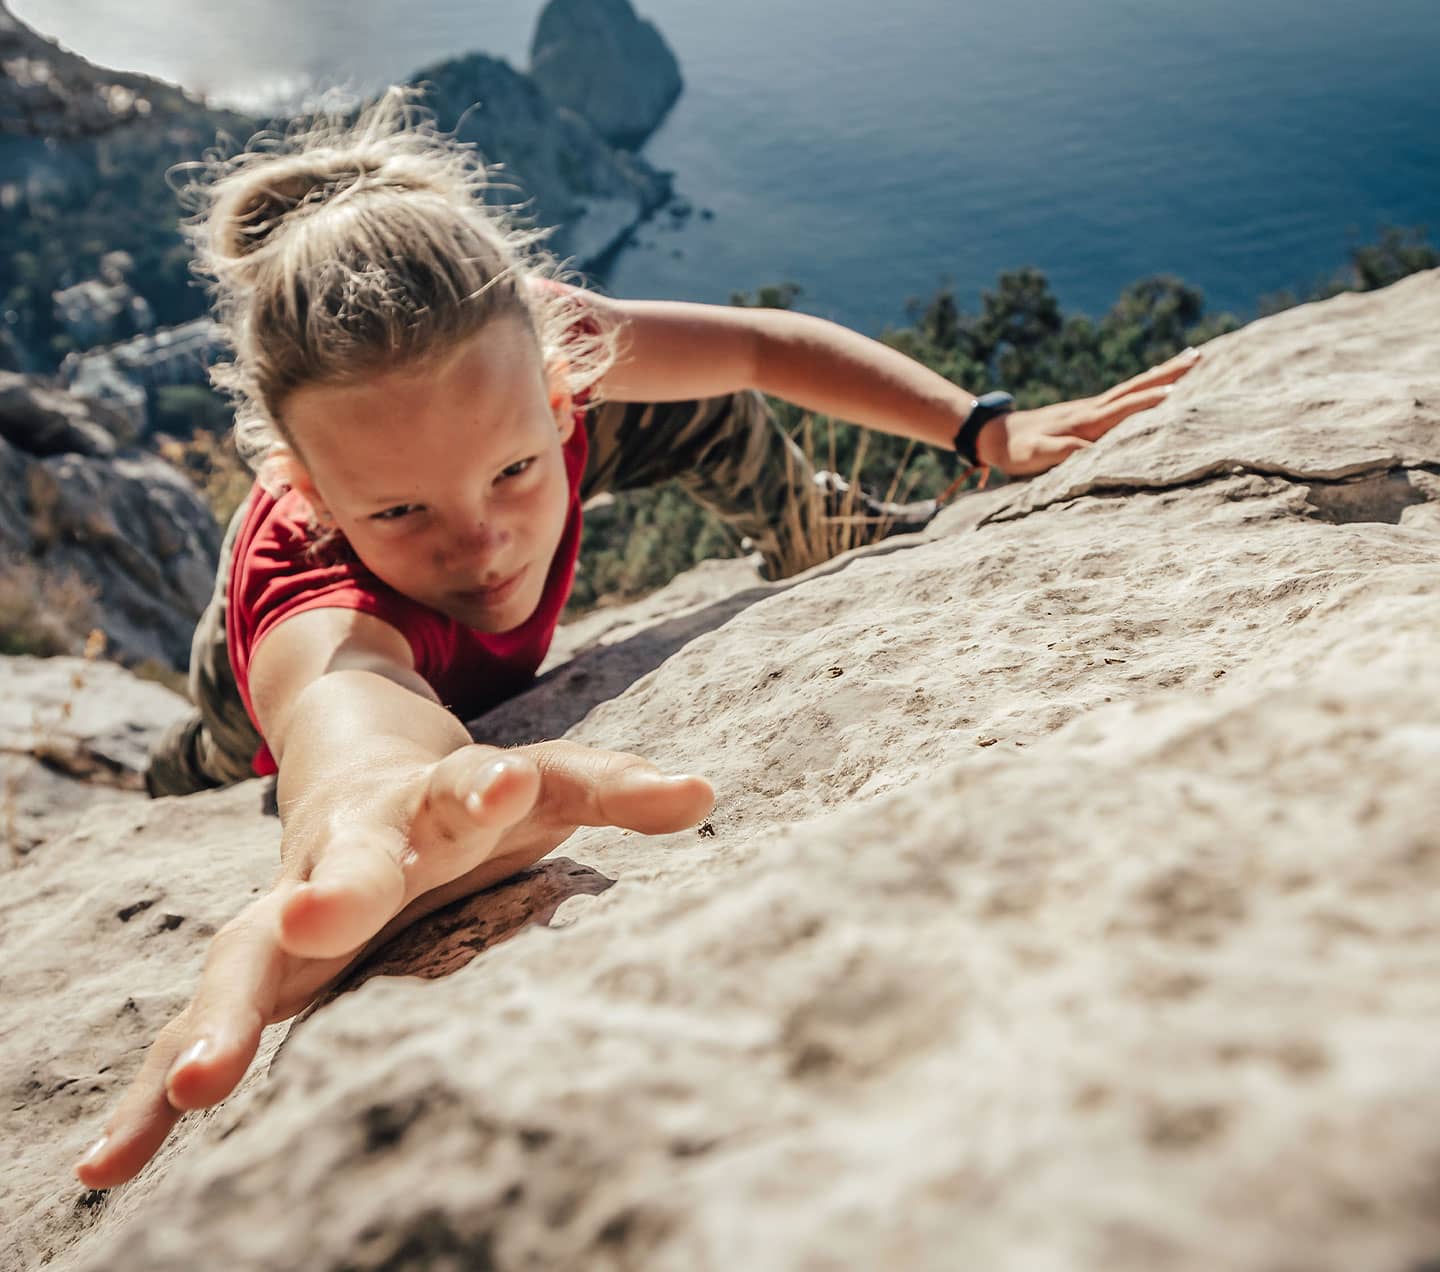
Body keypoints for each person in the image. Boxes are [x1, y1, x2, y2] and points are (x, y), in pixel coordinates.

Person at [73, 89, 1199, 1188]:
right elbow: (344, 718)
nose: (483, 545)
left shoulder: (528, 348)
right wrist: (362, 813)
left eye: (513, 470)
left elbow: (761, 348)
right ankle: (166, 768)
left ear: (561, 393)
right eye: (403, 511)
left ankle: (829, 532)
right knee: (222, 761)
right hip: (251, 682)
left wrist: (981, 427)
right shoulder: (315, 594)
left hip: (499, 443)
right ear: (308, 489)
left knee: (711, 405)